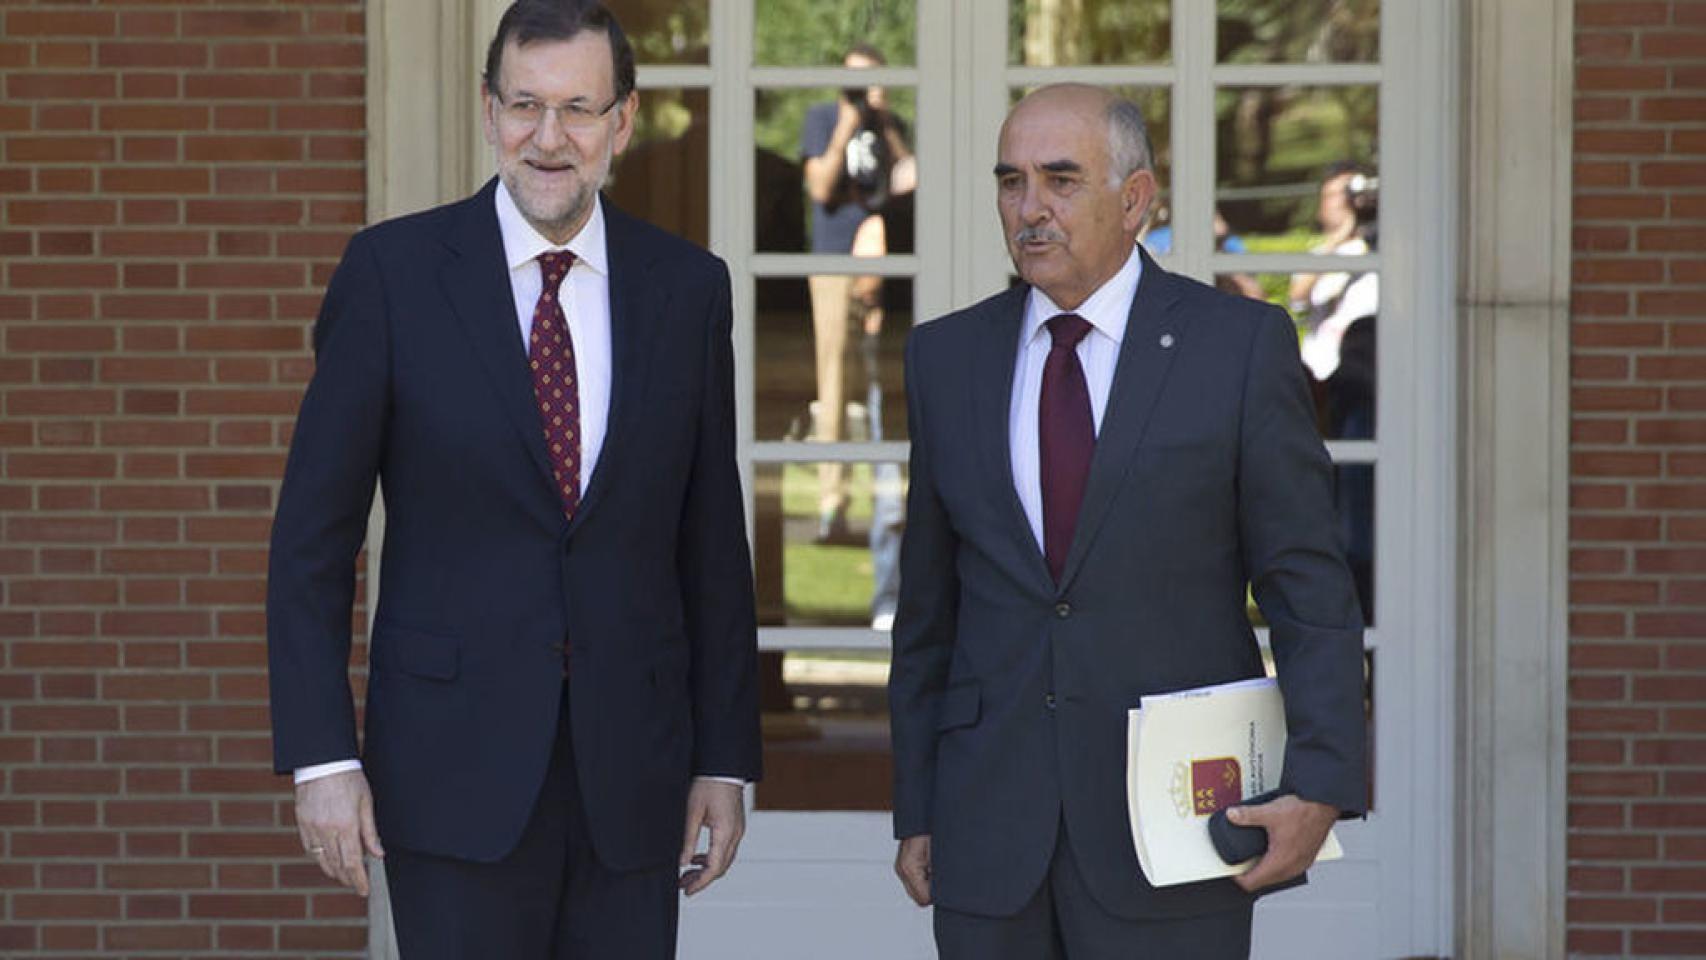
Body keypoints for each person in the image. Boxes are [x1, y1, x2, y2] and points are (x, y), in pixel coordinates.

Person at [265, 3, 761, 957]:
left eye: (579, 108)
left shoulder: (687, 289)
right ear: (490, 112)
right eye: (526, 105)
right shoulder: (393, 275)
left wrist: (725, 758)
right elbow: (312, 543)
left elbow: (709, 544)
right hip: (450, 772)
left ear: (622, 122)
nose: (550, 137)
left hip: (633, 778)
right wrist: (323, 757)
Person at [888, 84, 1367, 959]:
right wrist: (918, 806)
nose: (1030, 209)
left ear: (1136, 198)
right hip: (989, 829)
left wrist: (1323, 779)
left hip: (1179, 828)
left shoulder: (1239, 347)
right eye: (1011, 182)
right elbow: (928, 613)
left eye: (1061, 181)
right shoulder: (945, 357)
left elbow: (1308, 585)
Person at [799, 44, 914, 596]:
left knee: (888, 382)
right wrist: (848, 120)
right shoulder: (823, 117)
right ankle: (832, 501)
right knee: (834, 376)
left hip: (891, 265)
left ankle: (888, 495)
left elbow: (911, 181)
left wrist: (886, 120)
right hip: (833, 260)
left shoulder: (895, 126)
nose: (864, 91)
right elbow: (820, 187)